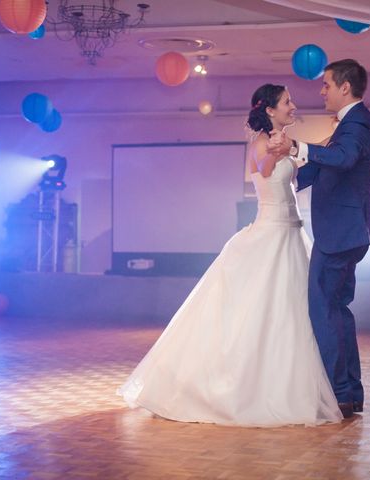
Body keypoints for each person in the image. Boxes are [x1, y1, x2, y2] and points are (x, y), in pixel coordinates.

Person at [117, 84, 343, 427]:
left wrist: (310, 146)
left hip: (293, 232)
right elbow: (266, 171)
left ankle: (288, 384)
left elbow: (297, 170)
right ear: (270, 110)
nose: (293, 106)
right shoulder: (260, 143)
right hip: (270, 231)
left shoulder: (282, 140)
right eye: (286, 102)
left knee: (292, 313)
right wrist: (283, 149)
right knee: (262, 311)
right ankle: (237, 388)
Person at [267, 59, 370, 418]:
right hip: (347, 232)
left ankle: (339, 393)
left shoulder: (357, 125)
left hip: (340, 234)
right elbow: (325, 164)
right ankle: (350, 393)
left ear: (344, 87)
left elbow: (343, 159)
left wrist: (296, 149)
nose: (321, 91)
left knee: (323, 310)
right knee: (338, 311)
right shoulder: (351, 124)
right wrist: (282, 178)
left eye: (326, 84)